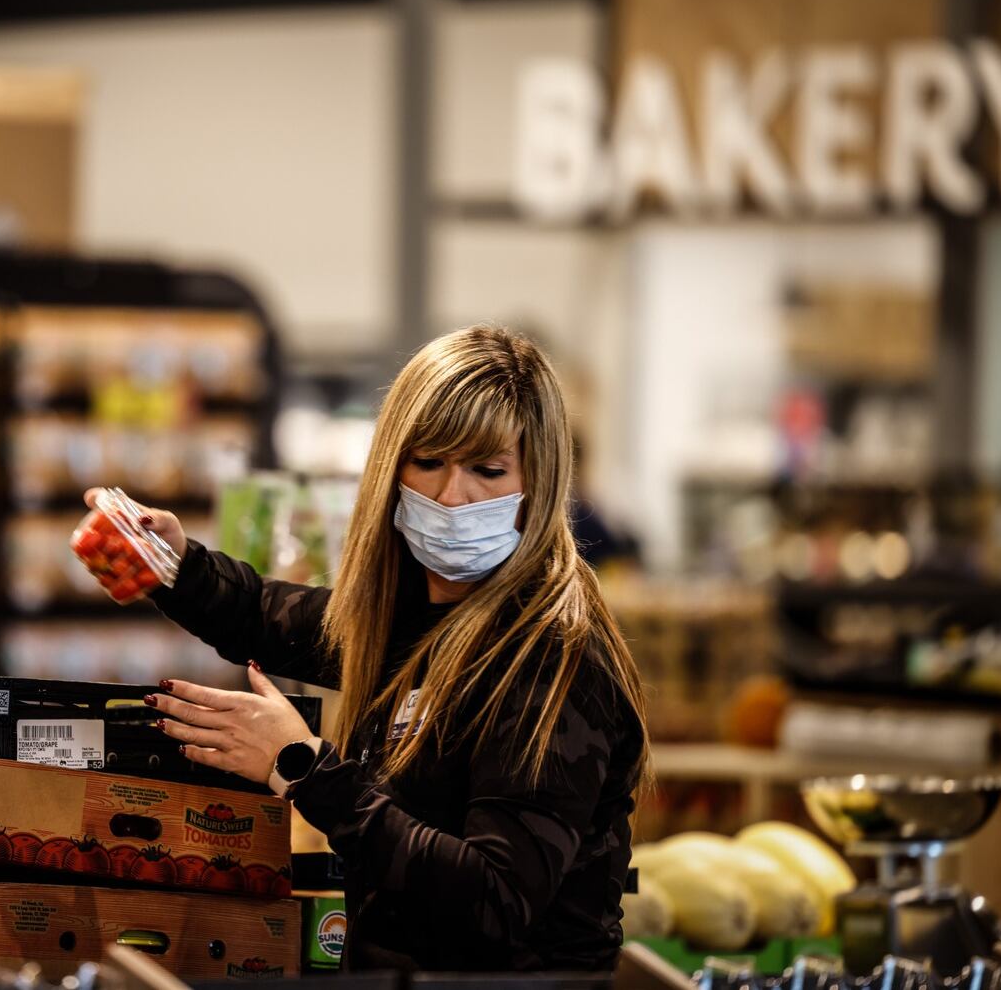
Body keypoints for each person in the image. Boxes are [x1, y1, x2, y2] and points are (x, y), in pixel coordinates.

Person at [84, 326, 651, 973]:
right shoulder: (418, 619)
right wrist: (174, 564)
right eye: (429, 462)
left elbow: (495, 899)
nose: (450, 494)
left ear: (539, 482)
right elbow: (274, 619)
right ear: (392, 468)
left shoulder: (551, 655)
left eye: (487, 470)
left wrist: (301, 766)